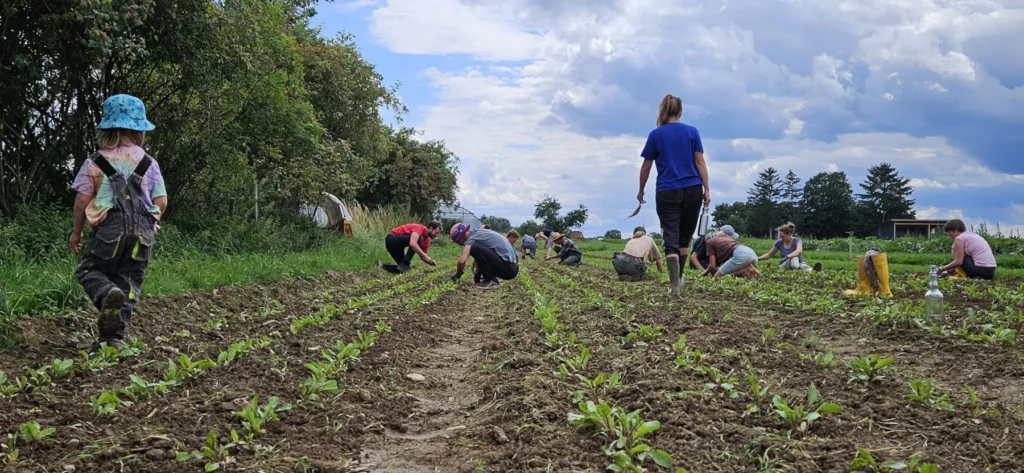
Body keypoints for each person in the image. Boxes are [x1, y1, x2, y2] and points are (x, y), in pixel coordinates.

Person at [70, 94, 167, 350]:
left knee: (89, 271)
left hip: (108, 229)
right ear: (139, 130)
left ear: (107, 128)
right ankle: (113, 339)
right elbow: (161, 200)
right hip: (143, 232)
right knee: (129, 281)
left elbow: (82, 200)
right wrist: (153, 221)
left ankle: (105, 293)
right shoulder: (149, 162)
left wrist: (76, 233)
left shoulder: (94, 161)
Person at [637, 94, 711, 295]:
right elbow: (700, 162)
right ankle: (679, 279)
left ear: (663, 111)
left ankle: (674, 287)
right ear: (680, 111)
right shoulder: (692, 132)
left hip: (667, 190)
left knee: (671, 236)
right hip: (693, 189)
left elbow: (646, 166)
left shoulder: (656, 135)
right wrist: (706, 189)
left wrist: (641, 190)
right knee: (684, 238)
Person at [449, 224, 519, 289]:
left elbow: (461, 261)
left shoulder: (471, 239)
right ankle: (487, 279)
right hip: (513, 267)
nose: (459, 244)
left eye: (458, 241)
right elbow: (482, 258)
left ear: (462, 237)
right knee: (477, 249)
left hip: (508, 270)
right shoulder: (480, 232)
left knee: (474, 248)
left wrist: (458, 274)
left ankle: (491, 281)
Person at [758, 222, 822, 272]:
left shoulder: (797, 241)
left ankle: (810, 270)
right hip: (785, 264)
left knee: (801, 264)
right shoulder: (779, 243)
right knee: (794, 257)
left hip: (798, 263)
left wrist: (788, 256)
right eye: (780, 236)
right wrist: (757, 258)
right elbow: (769, 254)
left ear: (789, 234)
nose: (780, 238)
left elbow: (799, 250)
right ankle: (798, 269)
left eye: (782, 236)